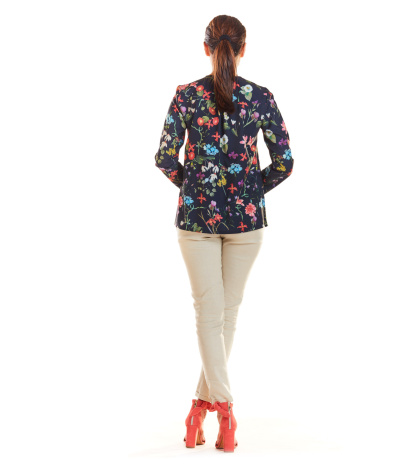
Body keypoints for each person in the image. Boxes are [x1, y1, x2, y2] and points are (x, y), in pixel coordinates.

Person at [154, 14, 294, 452]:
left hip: (196, 222)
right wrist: (249, 191)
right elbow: (284, 162)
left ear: (206, 48)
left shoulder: (186, 95)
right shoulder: (261, 97)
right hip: (247, 224)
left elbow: (164, 157)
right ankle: (220, 410)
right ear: (243, 49)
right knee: (224, 315)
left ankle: (207, 407)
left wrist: (196, 189)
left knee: (211, 314)